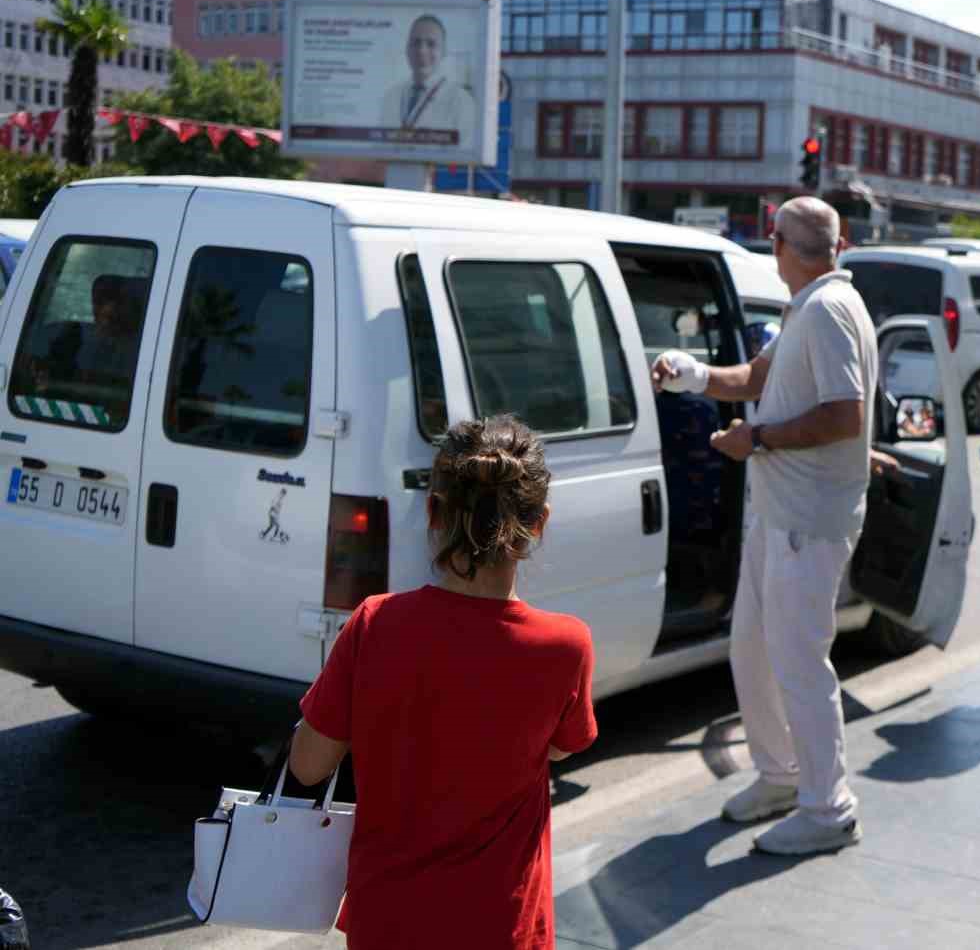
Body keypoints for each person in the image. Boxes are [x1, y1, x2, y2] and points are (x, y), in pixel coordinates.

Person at [289, 415, 596, 950]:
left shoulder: (375, 623)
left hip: (388, 923)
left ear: (433, 512)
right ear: (538, 523)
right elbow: (561, 749)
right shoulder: (566, 645)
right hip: (503, 928)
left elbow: (308, 766)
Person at [650, 197, 875, 856]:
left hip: (808, 519)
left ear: (780, 245)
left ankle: (828, 805)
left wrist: (759, 438)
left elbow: (845, 415)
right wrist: (691, 376)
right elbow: (755, 376)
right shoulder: (809, 304)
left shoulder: (829, 310)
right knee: (751, 648)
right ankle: (780, 776)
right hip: (779, 516)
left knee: (801, 662)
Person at [380, 15, 479, 139]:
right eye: (416, 42)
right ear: (407, 49)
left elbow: (465, 151)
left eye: (431, 44)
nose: (422, 50)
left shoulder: (461, 101)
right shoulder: (391, 96)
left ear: (444, 52)